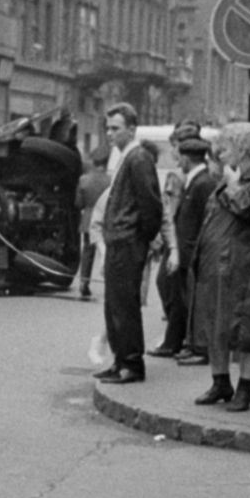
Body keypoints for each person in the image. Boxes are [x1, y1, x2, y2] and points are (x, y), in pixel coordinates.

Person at [189, 123, 250, 412]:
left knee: (249, 329)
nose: (220, 154)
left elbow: (249, 207)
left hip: (249, 267)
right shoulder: (232, 177)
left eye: (226, 148)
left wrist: (231, 184)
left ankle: (245, 388)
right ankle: (220, 381)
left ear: (243, 149)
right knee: (216, 324)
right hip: (218, 266)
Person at [94, 103, 164, 384]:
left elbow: (151, 204)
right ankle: (119, 360)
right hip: (120, 241)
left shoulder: (138, 158)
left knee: (125, 306)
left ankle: (131, 364)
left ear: (132, 129)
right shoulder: (127, 156)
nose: (110, 133)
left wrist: (141, 237)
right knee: (114, 305)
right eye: (108, 128)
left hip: (127, 241)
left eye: (116, 128)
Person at [151, 135, 217, 362]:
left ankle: (190, 345)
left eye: (180, 158)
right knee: (178, 299)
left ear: (188, 159)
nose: (178, 163)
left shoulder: (203, 183)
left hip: (190, 252)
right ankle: (176, 342)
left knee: (186, 301)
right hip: (184, 250)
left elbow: (203, 222)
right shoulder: (195, 181)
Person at [74, 146, 111, 300]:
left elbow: (78, 203)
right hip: (107, 220)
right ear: (106, 162)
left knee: (88, 253)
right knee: (108, 252)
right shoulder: (111, 179)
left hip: (89, 219)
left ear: (94, 162)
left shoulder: (84, 179)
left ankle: (84, 282)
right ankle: (109, 284)